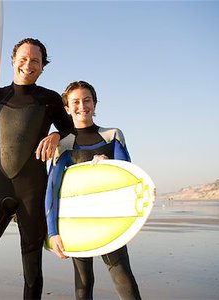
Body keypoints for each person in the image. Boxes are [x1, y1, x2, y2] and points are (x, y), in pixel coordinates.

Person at [0, 38, 74, 299]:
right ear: (13, 60)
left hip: (33, 195)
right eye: (23, 58)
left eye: (35, 60)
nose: (28, 64)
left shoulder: (50, 99)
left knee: (32, 271)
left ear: (43, 66)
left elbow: (73, 132)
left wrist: (57, 136)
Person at [45, 81, 141, 300]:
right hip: (76, 221)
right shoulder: (64, 145)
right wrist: (53, 233)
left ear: (95, 103)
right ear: (67, 108)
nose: (82, 106)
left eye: (87, 100)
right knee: (84, 282)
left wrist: (109, 166)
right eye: (75, 102)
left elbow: (128, 176)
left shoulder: (112, 135)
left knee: (123, 277)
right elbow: (53, 188)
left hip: (109, 219)